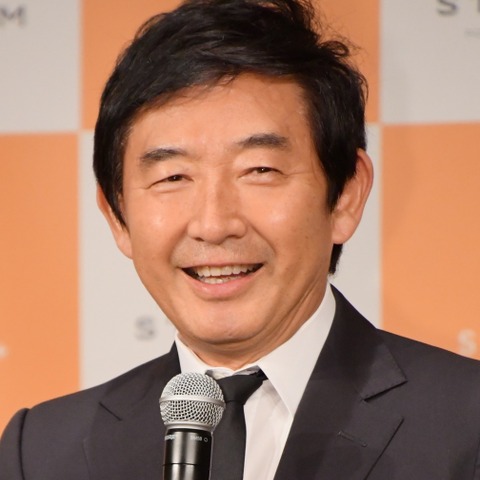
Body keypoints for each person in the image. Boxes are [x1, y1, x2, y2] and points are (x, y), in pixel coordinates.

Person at [1, 0, 480, 478]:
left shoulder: (465, 424)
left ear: (345, 197)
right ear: (116, 215)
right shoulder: (41, 452)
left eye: (259, 170)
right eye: (173, 177)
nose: (213, 224)